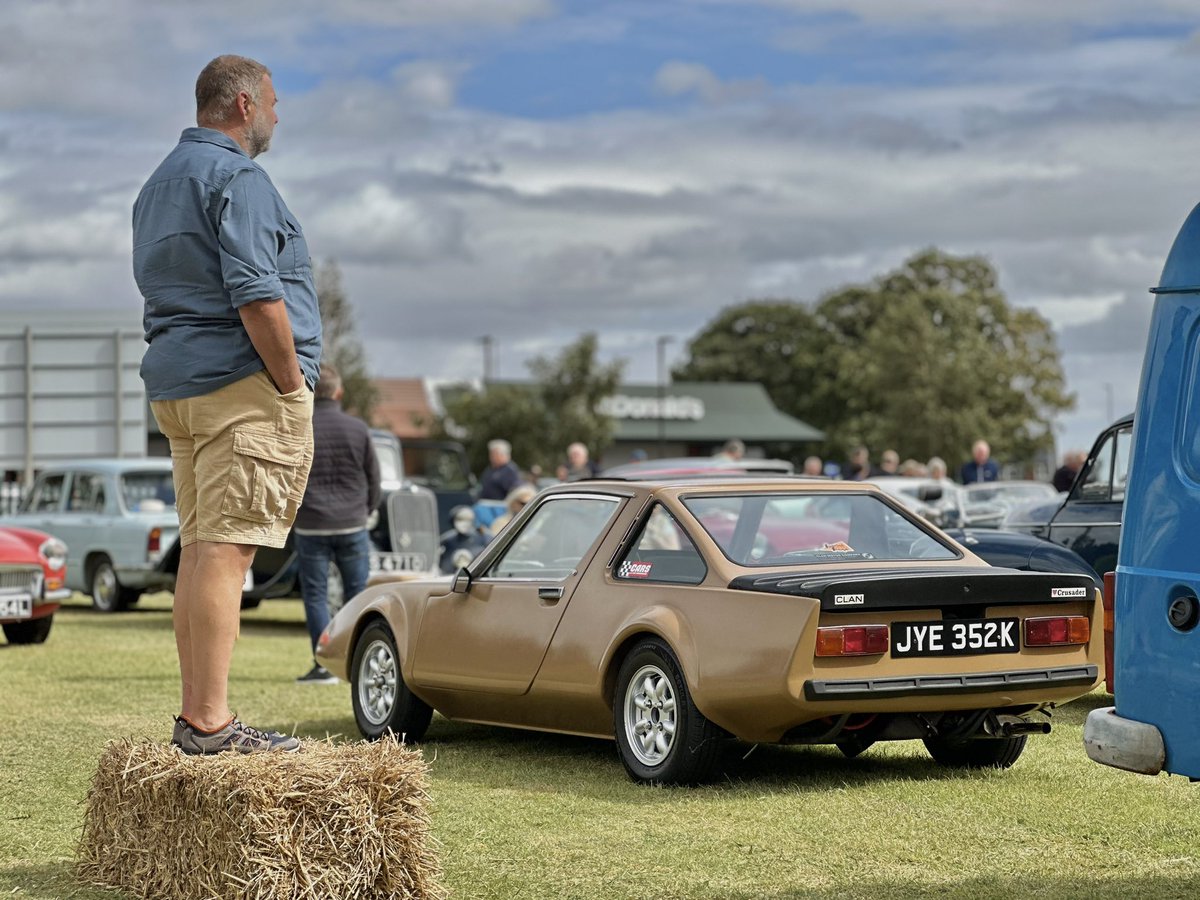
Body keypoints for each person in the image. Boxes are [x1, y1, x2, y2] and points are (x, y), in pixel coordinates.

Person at [135, 55, 321, 755]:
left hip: (180, 389)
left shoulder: (157, 185)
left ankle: (196, 717)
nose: (278, 114)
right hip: (242, 386)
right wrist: (292, 385)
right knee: (225, 553)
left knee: (200, 550)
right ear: (243, 106)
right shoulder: (238, 177)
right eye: (273, 100)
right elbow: (256, 291)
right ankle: (210, 723)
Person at [292, 363, 380, 685]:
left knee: (315, 595)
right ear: (340, 392)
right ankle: (356, 662)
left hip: (312, 525)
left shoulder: (301, 425)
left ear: (314, 391)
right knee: (357, 594)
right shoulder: (358, 429)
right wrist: (364, 511)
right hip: (352, 524)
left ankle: (323, 665)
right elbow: (375, 479)